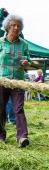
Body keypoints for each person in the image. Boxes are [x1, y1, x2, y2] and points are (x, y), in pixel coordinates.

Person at [0, 14, 31, 147]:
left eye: (18, 25)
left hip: (18, 81)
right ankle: (1, 136)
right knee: (0, 109)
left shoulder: (24, 44)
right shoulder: (0, 42)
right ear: (8, 26)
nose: (16, 27)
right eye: (13, 25)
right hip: (2, 81)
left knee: (18, 109)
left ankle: (22, 137)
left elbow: (29, 61)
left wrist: (26, 63)